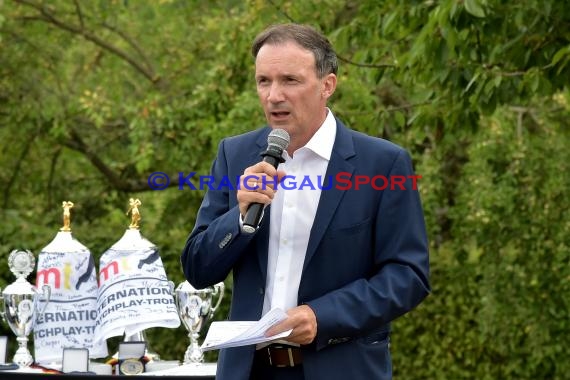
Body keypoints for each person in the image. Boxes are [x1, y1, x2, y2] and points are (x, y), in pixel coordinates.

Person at [181, 23, 430, 380]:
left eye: (290, 81)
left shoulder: (383, 163)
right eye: (263, 81)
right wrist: (238, 218)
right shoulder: (234, 155)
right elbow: (197, 269)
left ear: (327, 85)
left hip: (340, 368)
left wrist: (321, 316)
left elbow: (408, 275)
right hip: (247, 370)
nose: (273, 95)